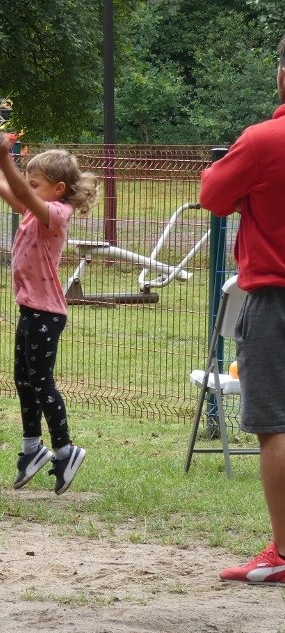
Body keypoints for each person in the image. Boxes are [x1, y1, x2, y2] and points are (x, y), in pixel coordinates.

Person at [199, 35, 285, 585]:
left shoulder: (264, 140)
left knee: (276, 425)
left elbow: (213, 195)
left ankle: (283, 553)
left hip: (277, 298)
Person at [0, 135, 98, 495]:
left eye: (35, 183)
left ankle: (65, 449)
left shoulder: (56, 214)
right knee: (23, 380)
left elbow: (20, 189)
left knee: (41, 381)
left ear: (57, 189)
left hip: (46, 313)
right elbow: (5, 185)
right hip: (30, 309)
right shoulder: (34, 208)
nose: (28, 189)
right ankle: (32, 449)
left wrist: (6, 156)